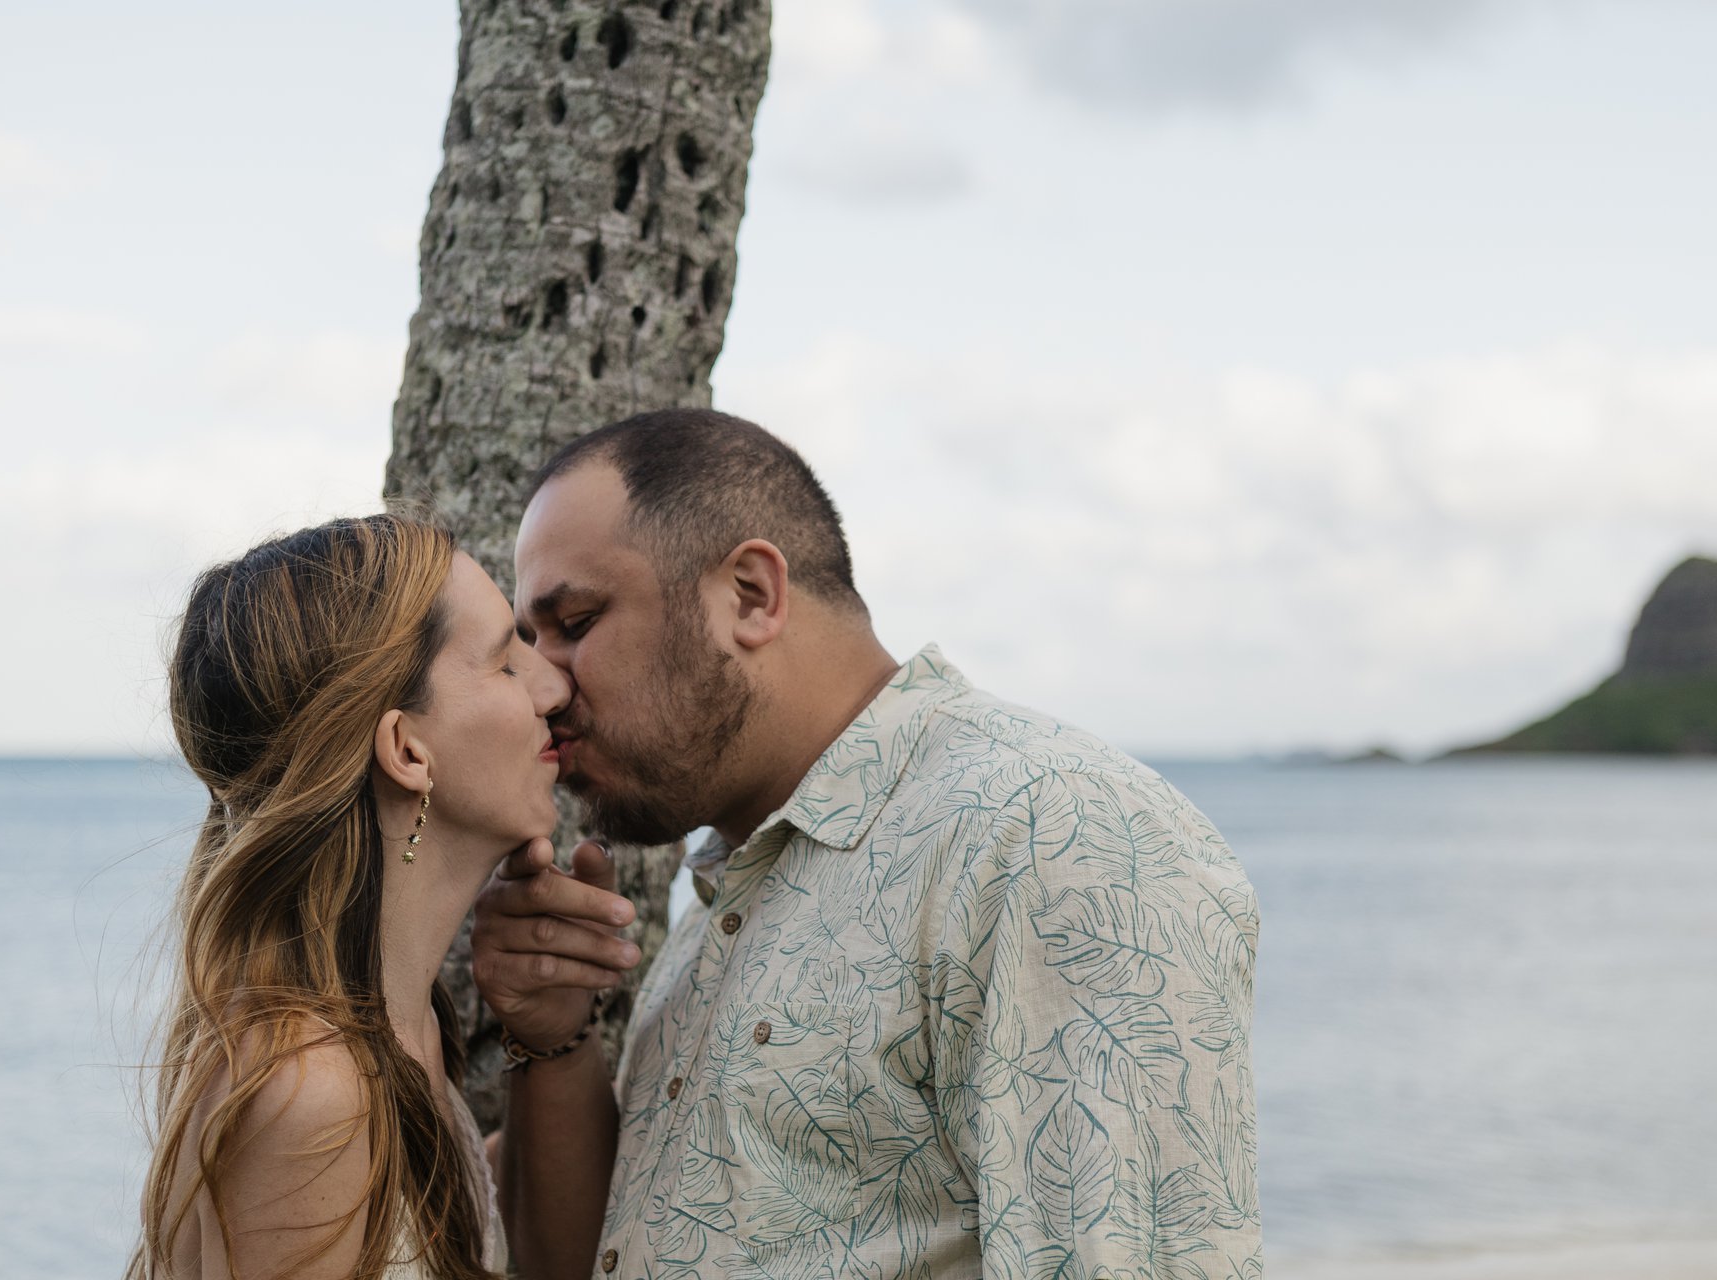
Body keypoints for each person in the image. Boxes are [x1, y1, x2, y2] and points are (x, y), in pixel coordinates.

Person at [472, 409, 1263, 1280]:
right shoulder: (735, 890)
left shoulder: (1049, 835)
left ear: (751, 596)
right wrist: (553, 1039)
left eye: (576, 621)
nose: (542, 686)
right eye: (529, 643)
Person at [128, 515, 591, 1280]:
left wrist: (551, 1038)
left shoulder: (400, 1037)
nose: (554, 685)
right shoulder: (312, 1091)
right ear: (406, 750)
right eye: (506, 662)